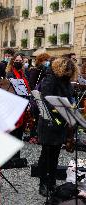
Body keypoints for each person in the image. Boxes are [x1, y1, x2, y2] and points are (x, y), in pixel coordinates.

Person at [38, 57, 78, 196]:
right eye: (67, 70)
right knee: (45, 155)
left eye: (71, 71)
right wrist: (61, 108)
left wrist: (71, 106)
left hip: (61, 122)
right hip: (49, 121)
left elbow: (70, 96)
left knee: (55, 155)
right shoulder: (50, 78)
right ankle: (43, 184)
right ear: (60, 68)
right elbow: (46, 98)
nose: (69, 73)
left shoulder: (66, 81)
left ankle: (52, 182)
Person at [6, 54, 30, 158]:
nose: (19, 62)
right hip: (13, 105)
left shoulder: (23, 74)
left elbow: (26, 89)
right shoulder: (10, 74)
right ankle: (10, 156)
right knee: (13, 132)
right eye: (17, 60)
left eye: (20, 60)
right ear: (12, 61)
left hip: (22, 105)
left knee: (19, 132)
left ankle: (16, 156)